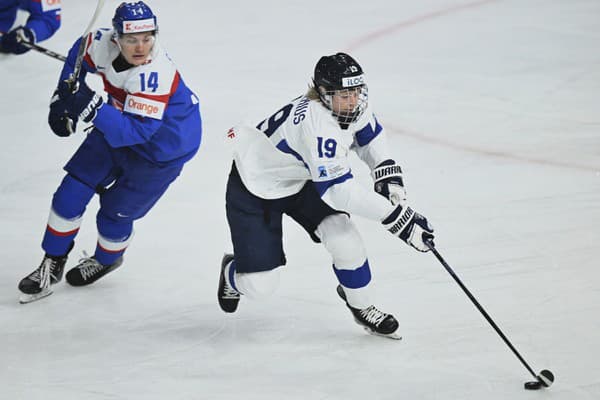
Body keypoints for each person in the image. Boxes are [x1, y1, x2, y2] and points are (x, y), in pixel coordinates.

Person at [218, 52, 434, 339]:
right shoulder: (316, 127)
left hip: (303, 177)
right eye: (345, 94)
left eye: (357, 91)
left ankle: (362, 306)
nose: (353, 100)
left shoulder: (346, 105)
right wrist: (397, 218)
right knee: (260, 286)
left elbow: (369, 136)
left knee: (344, 237)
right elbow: (337, 191)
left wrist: (386, 172)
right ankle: (232, 270)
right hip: (256, 187)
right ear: (323, 94)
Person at [17, 1, 202, 303]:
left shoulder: (155, 73)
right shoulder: (100, 42)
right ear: (116, 37)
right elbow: (78, 57)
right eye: (131, 39)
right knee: (69, 194)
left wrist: (89, 105)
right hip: (118, 121)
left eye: (147, 38)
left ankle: (107, 259)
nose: (141, 47)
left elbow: (136, 132)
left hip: (162, 149)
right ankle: (51, 263)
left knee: (113, 215)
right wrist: (60, 98)